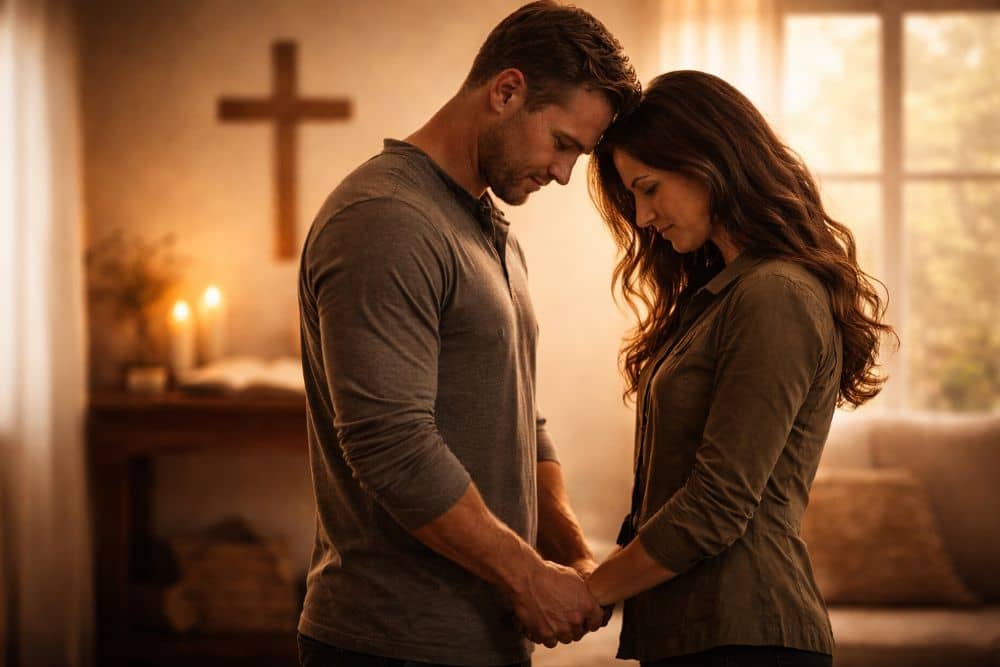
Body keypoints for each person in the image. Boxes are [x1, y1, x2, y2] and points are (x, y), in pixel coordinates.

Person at [296, 3, 640, 666]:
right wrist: (526, 575)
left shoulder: (487, 228)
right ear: (506, 91)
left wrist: (567, 551)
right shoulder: (387, 218)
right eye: (563, 143)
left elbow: (519, 418)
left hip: (483, 640)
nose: (565, 173)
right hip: (389, 644)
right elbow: (391, 445)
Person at [584, 70, 895, 667]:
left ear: (707, 162)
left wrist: (592, 591)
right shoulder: (722, 296)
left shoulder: (774, 293)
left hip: (746, 635)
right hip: (695, 632)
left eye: (649, 189)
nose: (644, 216)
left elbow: (717, 503)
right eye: (634, 198)